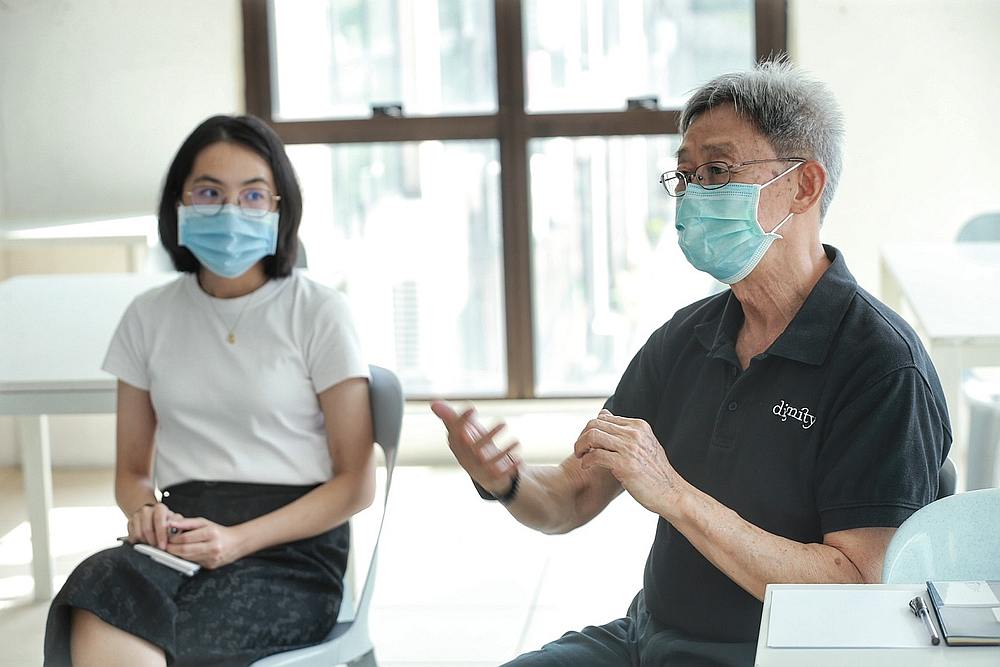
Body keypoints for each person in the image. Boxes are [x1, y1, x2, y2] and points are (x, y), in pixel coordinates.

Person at [432, 59, 951, 666]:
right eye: (685, 175)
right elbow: (572, 497)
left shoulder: (882, 367)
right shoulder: (689, 337)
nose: (695, 194)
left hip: (775, 655)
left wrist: (675, 494)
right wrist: (507, 480)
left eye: (719, 171)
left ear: (804, 186)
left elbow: (859, 588)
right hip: (646, 638)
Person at [43, 115, 375, 667]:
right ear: (179, 203)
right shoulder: (148, 316)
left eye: (252, 194)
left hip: (289, 551)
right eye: (209, 192)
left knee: (158, 631)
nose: (229, 211)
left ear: (278, 207)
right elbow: (131, 472)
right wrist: (146, 511)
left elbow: (355, 485)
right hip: (183, 535)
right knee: (96, 585)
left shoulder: (320, 313)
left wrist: (239, 540)